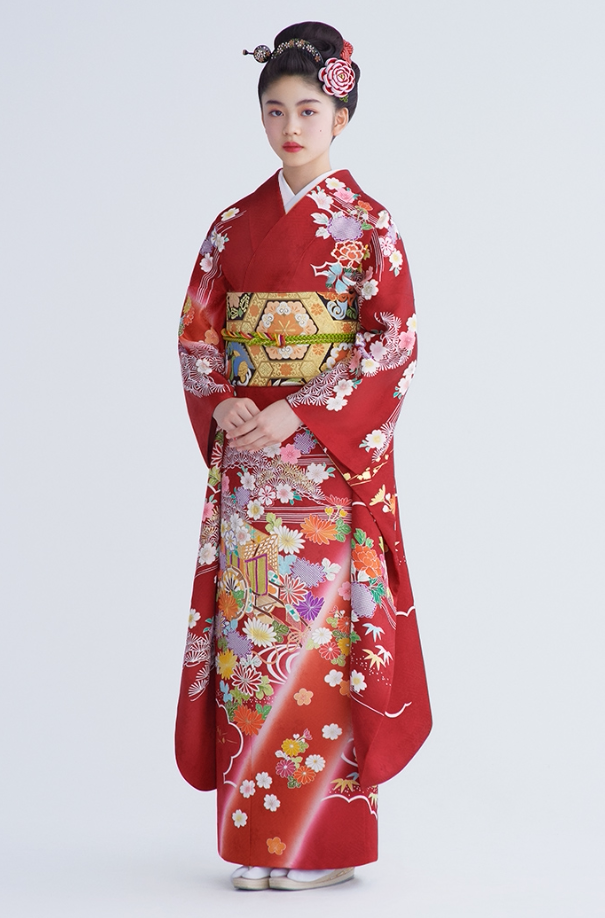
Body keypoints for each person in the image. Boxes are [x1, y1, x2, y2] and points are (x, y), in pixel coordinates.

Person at [175, 20, 432, 891]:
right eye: (275, 110)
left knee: (322, 645)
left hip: (324, 471)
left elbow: (391, 342)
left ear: (341, 118)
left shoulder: (367, 222)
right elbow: (199, 335)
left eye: (309, 111)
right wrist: (226, 402)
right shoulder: (231, 225)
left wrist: (295, 410)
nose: (291, 126)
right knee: (251, 651)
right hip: (252, 470)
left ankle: (323, 846)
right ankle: (258, 843)